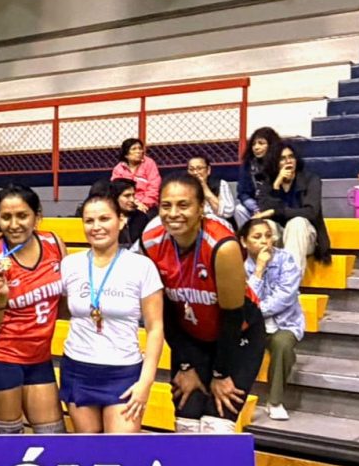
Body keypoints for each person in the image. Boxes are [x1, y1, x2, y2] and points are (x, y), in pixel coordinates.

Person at [141, 173, 266, 433]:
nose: (173, 213)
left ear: (201, 209)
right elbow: (164, 311)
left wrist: (221, 374)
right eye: (166, 205)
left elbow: (232, 316)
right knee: (186, 421)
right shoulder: (150, 241)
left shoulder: (223, 246)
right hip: (190, 337)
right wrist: (185, 364)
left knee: (216, 425)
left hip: (237, 337)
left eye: (183, 205)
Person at [60, 194, 164, 433]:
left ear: (121, 220)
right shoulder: (70, 265)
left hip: (123, 372)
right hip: (78, 368)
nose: (96, 227)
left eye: (104, 219)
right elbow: (63, 309)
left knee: (121, 449)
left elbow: (155, 328)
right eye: (89, 221)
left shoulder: (141, 267)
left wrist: (146, 382)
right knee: (89, 450)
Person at [0, 184, 67, 435]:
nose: (14, 224)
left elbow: (63, 304)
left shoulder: (54, 243)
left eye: (22, 216)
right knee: (11, 438)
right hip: (1, 357)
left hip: (39, 356)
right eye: (6, 217)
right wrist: (0, 297)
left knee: (53, 436)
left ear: (37, 217)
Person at [241, 219, 304, 421]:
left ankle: (275, 402)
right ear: (244, 242)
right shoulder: (240, 267)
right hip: (254, 326)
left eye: (268, 236)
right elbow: (246, 301)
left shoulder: (286, 260)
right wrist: (259, 270)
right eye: (257, 237)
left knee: (282, 344)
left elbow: (285, 296)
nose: (264, 241)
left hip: (285, 323)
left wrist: (256, 310)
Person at [256, 140, 332, 278]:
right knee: (267, 225)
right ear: (275, 163)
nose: (288, 161)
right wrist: (277, 185)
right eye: (282, 158)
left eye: (291, 157)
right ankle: (265, 280)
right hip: (279, 237)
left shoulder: (311, 179)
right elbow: (264, 210)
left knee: (296, 223)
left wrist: (277, 212)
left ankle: (289, 284)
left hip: (305, 236)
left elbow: (311, 212)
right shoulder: (269, 182)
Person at [235, 126, 281, 229]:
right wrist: (255, 208)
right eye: (253, 144)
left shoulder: (279, 164)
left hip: (274, 209)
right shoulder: (248, 165)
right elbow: (242, 193)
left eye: (261, 143)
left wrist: (265, 210)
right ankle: (246, 236)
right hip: (255, 208)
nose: (256, 147)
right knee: (239, 209)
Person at [110, 138, 160, 214]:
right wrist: (134, 203)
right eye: (134, 149)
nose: (138, 151)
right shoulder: (118, 169)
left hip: (146, 205)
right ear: (126, 155)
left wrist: (144, 203)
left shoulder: (149, 164)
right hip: (125, 205)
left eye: (140, 148)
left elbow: (154, 187)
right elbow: (116, 190)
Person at [187, 154, 235, 229]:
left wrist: (205, 188)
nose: (195, 172)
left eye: (199, 168)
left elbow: (228, 212)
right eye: (191, 169)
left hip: (218, 224)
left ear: (208, 170)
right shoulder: (184, 188)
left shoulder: (221, 184)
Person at [111, 178, 150, 247]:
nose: (132, 200)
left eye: (133, 195)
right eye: (127, 196)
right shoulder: (106, 219)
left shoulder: (141, 218)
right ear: (115, 197)